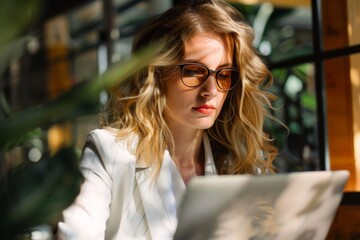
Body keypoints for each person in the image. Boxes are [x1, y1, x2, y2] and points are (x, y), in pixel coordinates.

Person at [57, 0, 278, 239]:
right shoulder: (109, 152)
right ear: (157, 74)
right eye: (193, 71)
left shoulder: (239, 163)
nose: (211, 90)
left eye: (224, 75)